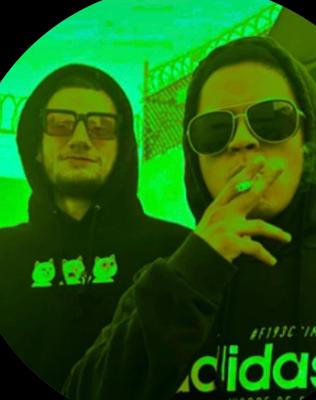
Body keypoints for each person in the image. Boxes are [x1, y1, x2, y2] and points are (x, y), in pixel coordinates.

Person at [62, 37, 316, 400]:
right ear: (194, 158)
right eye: (214, 129)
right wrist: (193, 272)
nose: (241, 140)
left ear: (309, 138)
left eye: (271, 120)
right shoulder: (162, 284)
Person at [0, 64, 189, 394]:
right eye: (60, 124)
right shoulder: (4, 255)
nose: (80, 139)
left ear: (122, 148)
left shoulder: (176, 252)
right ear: (35, 147)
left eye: (101, 127)